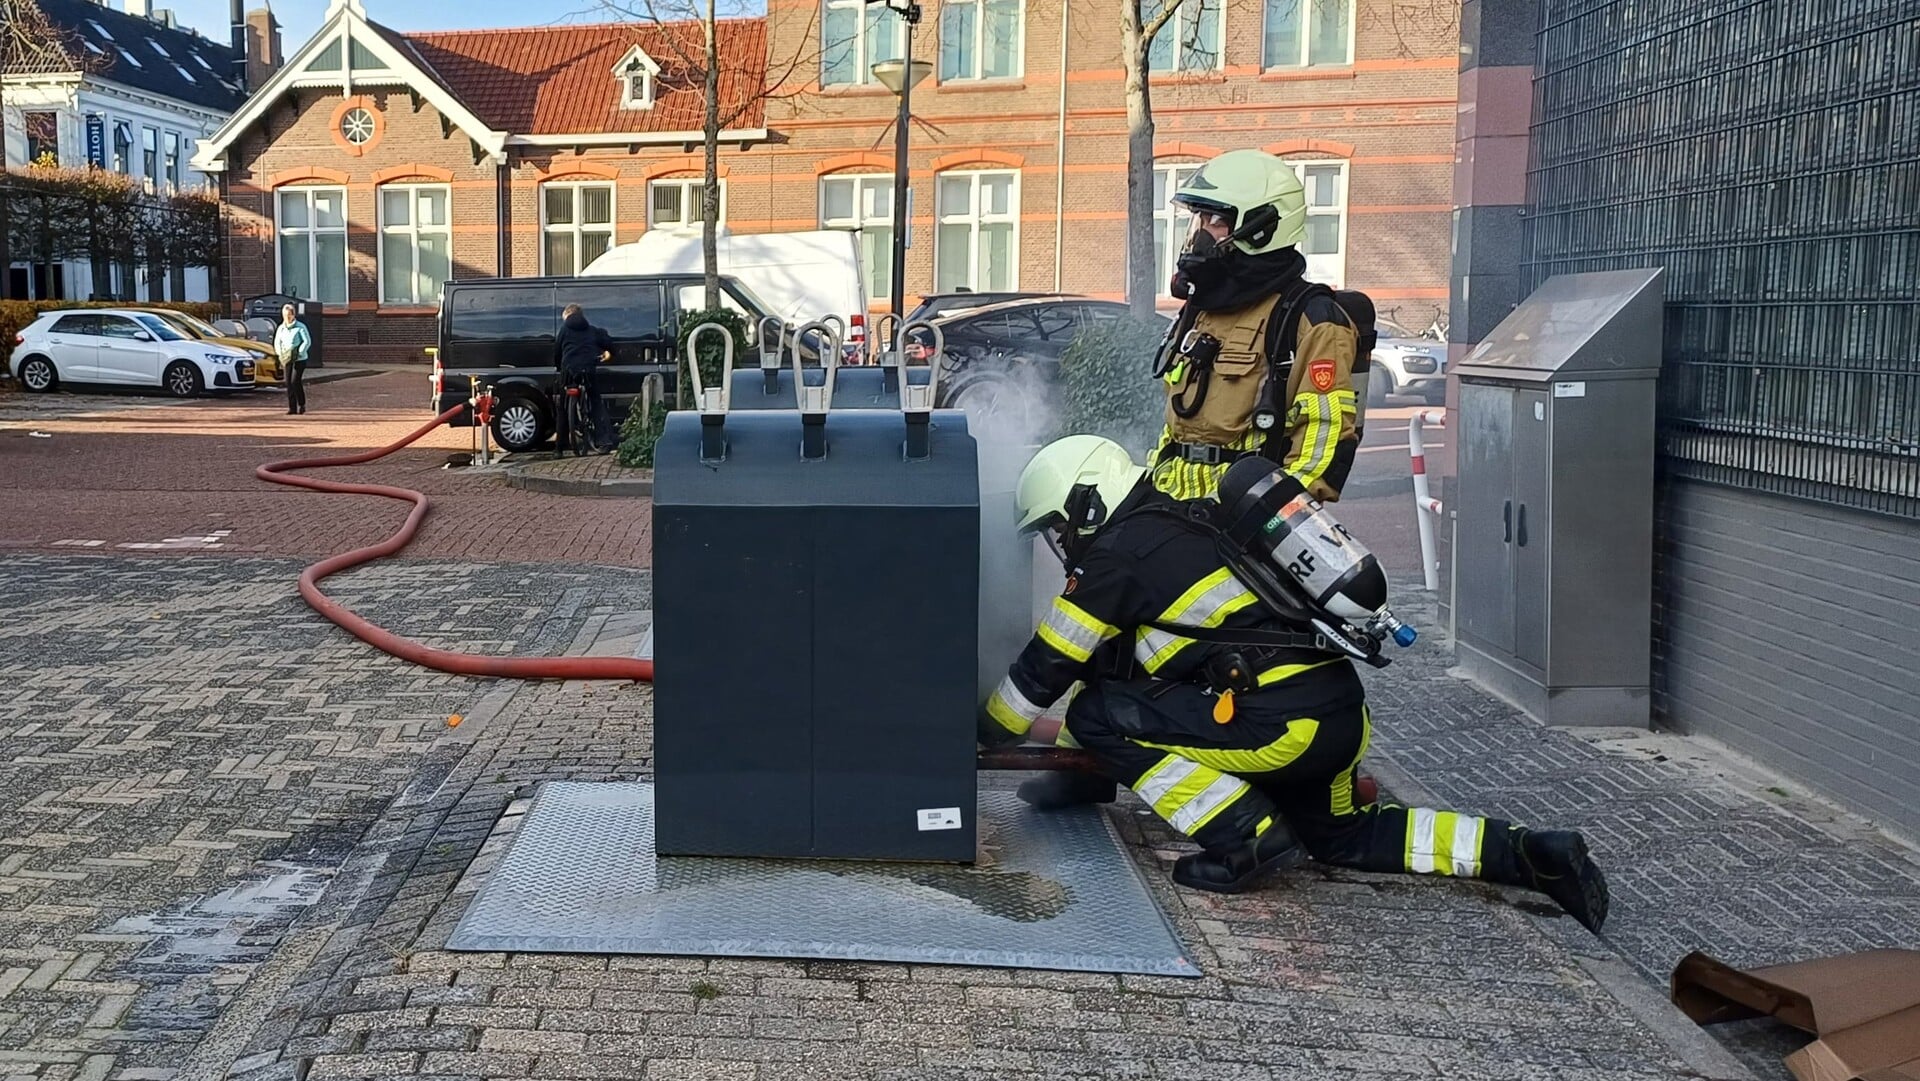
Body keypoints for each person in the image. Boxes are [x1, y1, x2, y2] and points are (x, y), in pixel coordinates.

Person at [977, 434, 1609, 931]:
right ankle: (1528, 853)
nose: (1063, 543)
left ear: (1086, 501)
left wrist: (980, 731)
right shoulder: (1183, 524)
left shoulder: (1119, 555)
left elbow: (1047, 667)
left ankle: (1243, 837)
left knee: (1096, 714)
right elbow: (1139, 670)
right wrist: (1075, 780)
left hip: (1278, 726)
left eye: (1060, 526)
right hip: (1335, 719)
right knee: (1348, 837)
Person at [1149, 149, 1362, 502]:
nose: (1202, 233)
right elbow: (1179, 427)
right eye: (1198, 219)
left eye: (1215, 220)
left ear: (1262, 228)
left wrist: (1262, 515)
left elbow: (1324, 439)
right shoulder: (1202, 310)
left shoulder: (1310, 319)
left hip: (1238, 522)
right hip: (1171, 511)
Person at [553, 303, 615, 453]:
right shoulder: (591, 330)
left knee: (563, 408)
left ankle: (559, 448)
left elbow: (557, 350)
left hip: (569, 370)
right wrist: (608, 352)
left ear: (567, 316)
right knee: (595, 402)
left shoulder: (564, 330)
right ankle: (604, 440)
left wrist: (559, 367)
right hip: (588, 369)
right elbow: (607, 342)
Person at [274, 305, 311, 415]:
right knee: (288, 383)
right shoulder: (281, 328)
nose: (287, 318)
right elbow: (277, 342)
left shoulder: (300, 327)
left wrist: (300, 352)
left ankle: (302, 404)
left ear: (293, 315)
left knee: (295, 381)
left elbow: (307, 341)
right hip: (286, 359)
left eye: (289, 315)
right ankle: (292, 407)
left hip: (299, 359)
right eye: (285, 315)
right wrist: (280, 353)